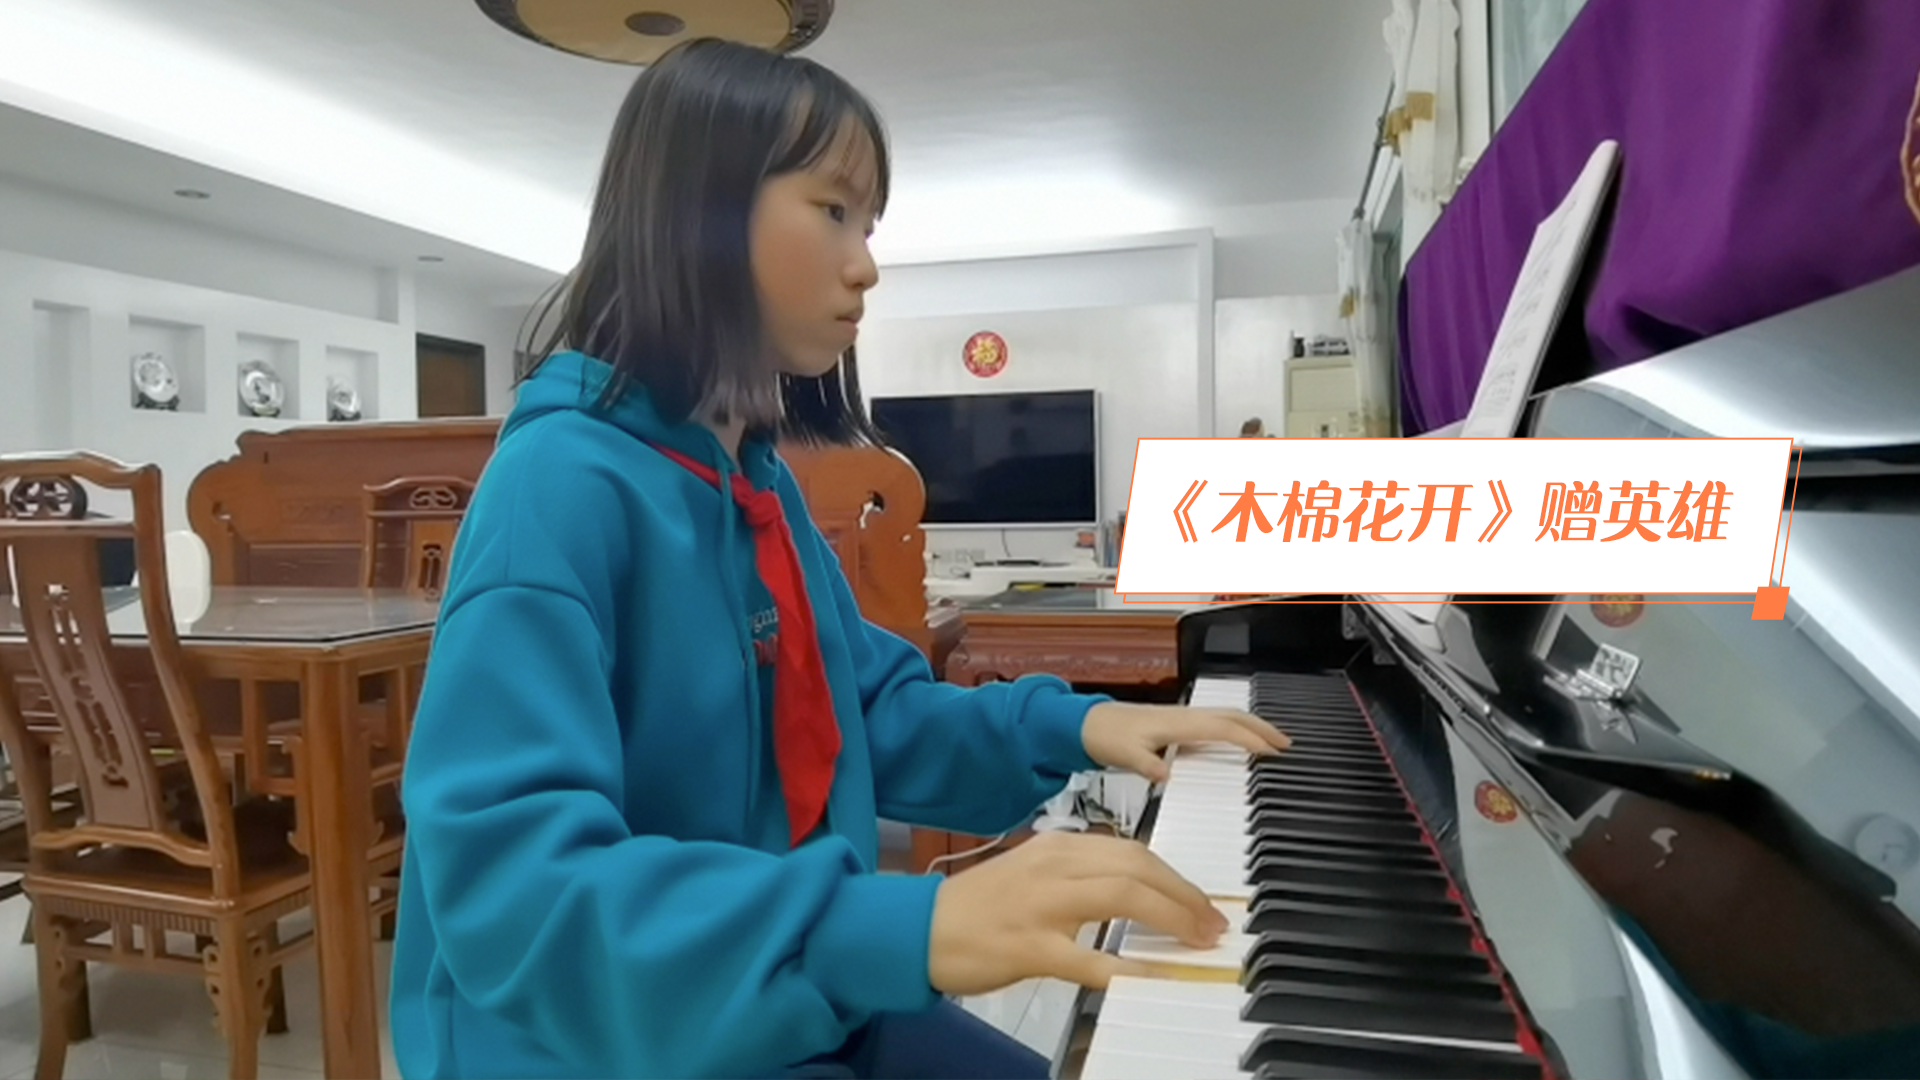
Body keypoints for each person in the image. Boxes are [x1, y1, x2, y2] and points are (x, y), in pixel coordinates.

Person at [387, 37, 1288, 1080]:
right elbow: (514, 893)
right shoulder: (557, 488)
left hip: (775, 991)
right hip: (597, 1041)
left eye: (868, 225)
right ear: (700, 212)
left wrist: (1080, 724)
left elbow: (868, 716)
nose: (866, 264)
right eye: (833, 211)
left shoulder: (757, 483)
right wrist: (901, 925)